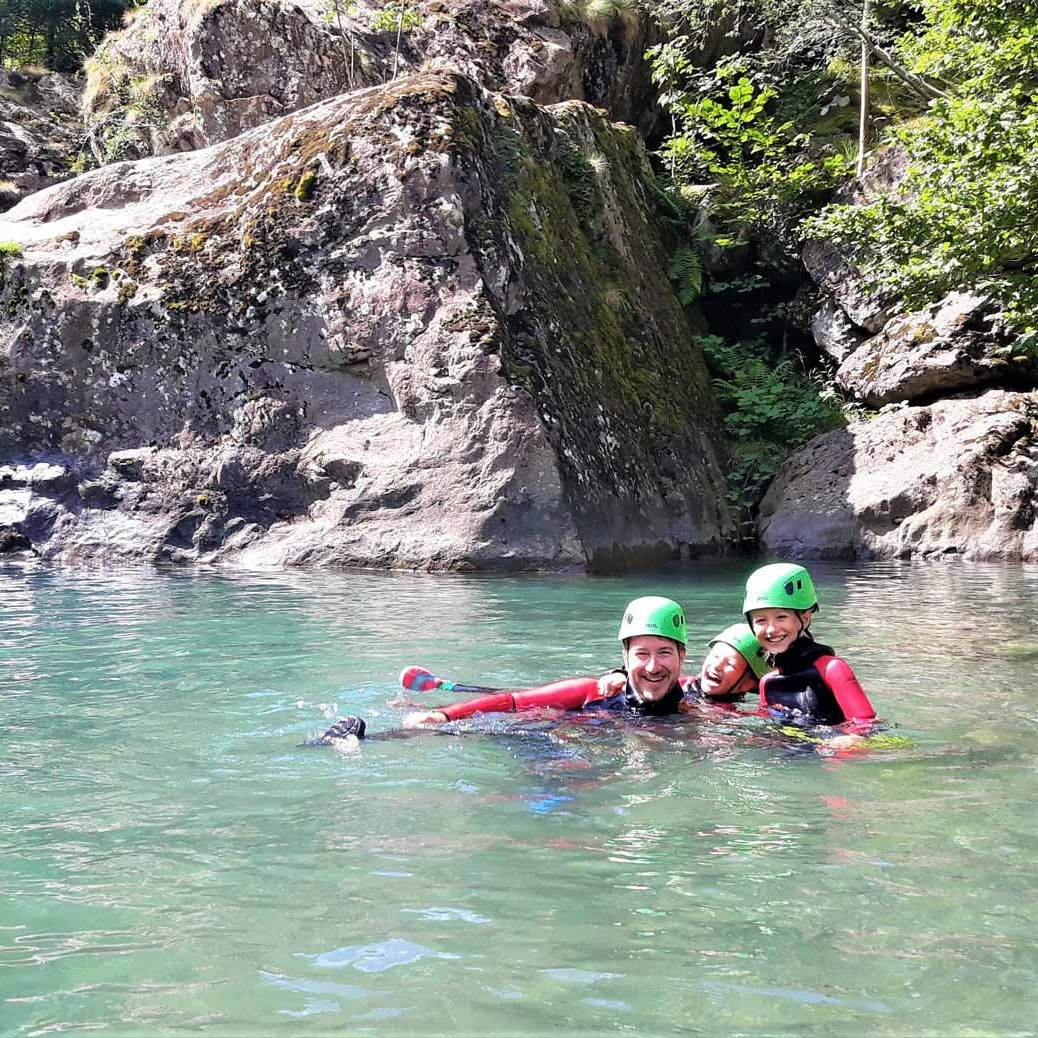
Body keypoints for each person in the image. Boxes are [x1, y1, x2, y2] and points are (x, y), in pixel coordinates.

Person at [316, 596, 693, 741]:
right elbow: (515, 702)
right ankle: (360, 738)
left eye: (664, 654)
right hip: (540, 733)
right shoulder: (593, 691)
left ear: (682, 658)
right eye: (641, 654)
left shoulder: (694, 703)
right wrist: (442, 714)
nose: (653, 665)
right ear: (625, 659)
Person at [742, 562, 876, 739]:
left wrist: (842, 749)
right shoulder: (767, 682)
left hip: (832, 755)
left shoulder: (832, 669)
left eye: (781, 617)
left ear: (805, 618)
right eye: (760, 620)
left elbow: (866, 725)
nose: (770, 629)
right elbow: (768, 722)